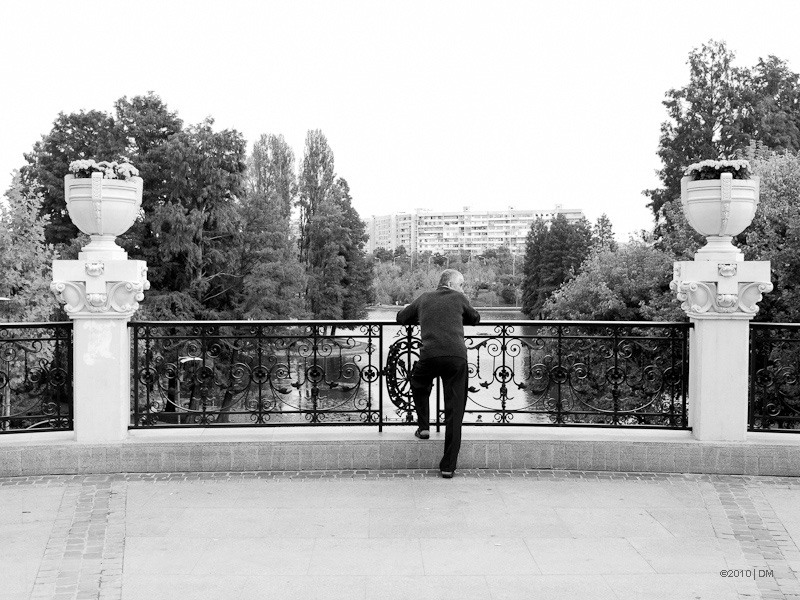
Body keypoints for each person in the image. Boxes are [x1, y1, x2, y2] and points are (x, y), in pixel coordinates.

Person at [396, 269, 481, 478]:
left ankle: (424, 426)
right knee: (454, 412)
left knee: (418, 383)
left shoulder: (424, 298)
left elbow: (401, 318)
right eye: (461, 284)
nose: (463, 289)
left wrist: (409, 309)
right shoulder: (459, 298)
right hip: (456, 358)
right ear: (450, 284)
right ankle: (448, 466)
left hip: (430, 356)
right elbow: (475, 318)